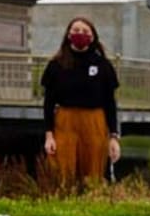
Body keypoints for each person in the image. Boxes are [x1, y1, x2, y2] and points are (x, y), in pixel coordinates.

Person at [41, 17, 121, 185]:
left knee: (93, 170)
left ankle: (93, 199)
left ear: (92, 37)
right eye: (76, 30)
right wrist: (49, 135)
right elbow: (48, 103)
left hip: (94, 121)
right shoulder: (56, 65)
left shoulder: (102, 65)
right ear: (68, 35)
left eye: (85, 31)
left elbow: (110, 103)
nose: (80, 34)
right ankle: (63, 198)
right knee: (63, 169)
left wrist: (113, 136)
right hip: (65, 121)